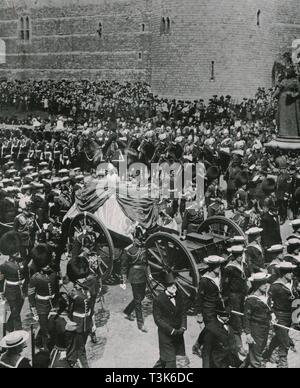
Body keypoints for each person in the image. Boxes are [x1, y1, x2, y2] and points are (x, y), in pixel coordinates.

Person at [264, 262, 298, 368]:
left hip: (291, 314)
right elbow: (268, 303)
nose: (292, 273)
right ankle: (283, 362)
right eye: (289, 272)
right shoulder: (275, 286)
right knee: (284, 340)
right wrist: (273, 316)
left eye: (292, 271)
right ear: (283, 273)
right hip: (280, 315)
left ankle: (267, 354)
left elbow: (297, 297)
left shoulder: (294, 282)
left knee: (280, 336)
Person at [193, 256, 226, 359]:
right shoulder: (205, 280)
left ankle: (197, 345)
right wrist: (199, 314)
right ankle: (205, 351)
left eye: (219, 265)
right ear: (211, 267)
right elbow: (199, 298)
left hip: (217, 308)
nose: (219, 267)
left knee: (209, 329)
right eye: (216, 266)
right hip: (208, 309)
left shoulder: (218, 276)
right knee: (211, 329)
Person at [28, 245, 60, 351]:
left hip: (52, 304)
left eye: (47, 263)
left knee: (51, 326)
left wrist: (56, 304)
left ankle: (46, 343)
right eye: (44, 264)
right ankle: (46, 350)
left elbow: (56, 290)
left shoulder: (53, 274)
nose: (47, 266)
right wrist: (34, 310)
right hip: (41, 306)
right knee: (45, 329)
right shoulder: (35, 278)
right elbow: (31, 295)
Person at [153, 272, 187, 368]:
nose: (174, 287)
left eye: (175, 285)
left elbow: (183, 313)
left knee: (179, 360)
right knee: (170, 362)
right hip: (166, 336)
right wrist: (171, 330)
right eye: (170, 285)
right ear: (165, 286)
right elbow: (158, 320)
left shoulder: (179, 296)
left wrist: (183, 327)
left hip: (179, 335)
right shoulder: (158, 300)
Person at [66, 256, 94, 368]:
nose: (84, 279)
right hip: (77, 324)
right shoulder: (72, 293)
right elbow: (68, 310)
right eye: (82, 277)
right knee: (79, 348)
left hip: (86, 323)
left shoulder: (86, 289)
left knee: (81, 347)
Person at [121, 225, 148, 333]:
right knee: (138, 300)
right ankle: (140, 324)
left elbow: (146, 263)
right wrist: (123, 281)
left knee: (141, 297)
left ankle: (127, 311)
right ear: (134, 238)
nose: (140, 241)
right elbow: (123, 267)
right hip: (135, 276)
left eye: (141, 239)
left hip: (143, 275)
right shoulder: (128, 250)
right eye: (138, 239)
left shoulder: (144, 247)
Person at [242, 272, 272, 369]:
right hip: (256, 329)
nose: (266, 285)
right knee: (256, 354)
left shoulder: (266, 296)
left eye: (266, 282)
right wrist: (248, 334)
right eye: (263, 283)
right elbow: (246, 318)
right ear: (257, 285)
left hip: (265, 328)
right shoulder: (251, 300)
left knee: (258, 350)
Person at [222, 245, 248, 356]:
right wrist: (226, 300)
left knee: (242, 318)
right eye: (237, 255)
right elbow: (225, 285)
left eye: (240, 255)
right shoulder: (229, 268)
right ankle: (239, 346)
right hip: (233, 297)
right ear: (233, 256)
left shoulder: (244, 265)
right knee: (236, 320)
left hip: (243, 296)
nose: (239, 257)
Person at [0, 232, 27, 332]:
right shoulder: (4, 266)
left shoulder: (21, 261)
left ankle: (9, 326)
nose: (17, 253)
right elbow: (1, 280)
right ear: (10, 253)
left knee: (17, 310)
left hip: (20, 290)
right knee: (16, 313)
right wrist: (1, 293)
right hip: (10, 291)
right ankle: (19, 332)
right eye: (15, 252)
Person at [48, 293, 78, 368]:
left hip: (55, 352)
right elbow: (71, 346)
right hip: (66, 356)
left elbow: (49, 340)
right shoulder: (68, 325)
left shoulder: (52, 319)